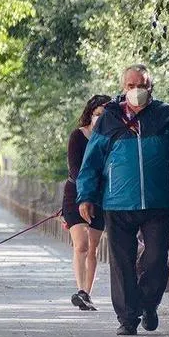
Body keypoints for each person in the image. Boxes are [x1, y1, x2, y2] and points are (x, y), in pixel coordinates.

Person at [77, 64, 169, 335]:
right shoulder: (109, 117)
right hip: (117, 203)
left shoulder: (166, 115)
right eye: (131, 86)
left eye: (141, 85)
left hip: (159, 202)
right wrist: (86, 196)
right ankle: (128, 319)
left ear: (150, 87)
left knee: (155, 259)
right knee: (122, 263)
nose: (136, 91)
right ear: (123, 88)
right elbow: (91, 160)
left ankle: (148, 304)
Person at [61, 94, 111, 311]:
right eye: (97, 114)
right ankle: (81, 290)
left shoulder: (113, 138)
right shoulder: (78, 136)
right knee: (81, 244)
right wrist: (86, 189)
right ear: (90, 114)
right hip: (75, 194)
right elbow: (74, 169)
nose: (100, 118)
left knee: (93, 247)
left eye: (105, 115)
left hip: (101, 197)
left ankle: (87, 293)